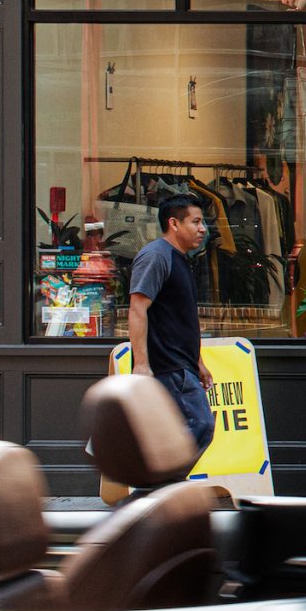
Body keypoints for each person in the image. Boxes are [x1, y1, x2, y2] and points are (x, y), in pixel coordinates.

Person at [130, 191, 217, 452]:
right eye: (196, 221)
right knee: (200, 423)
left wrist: (198, 362)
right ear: (174, 223)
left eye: (202, 222)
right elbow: (137, 309)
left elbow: (182, 317)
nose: (203, 229)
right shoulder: (157, 256)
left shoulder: (180, 259)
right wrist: (142, 364)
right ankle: (161, 483)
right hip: (168, 367)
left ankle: (160, 484)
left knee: (176, 430)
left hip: (182, 366)